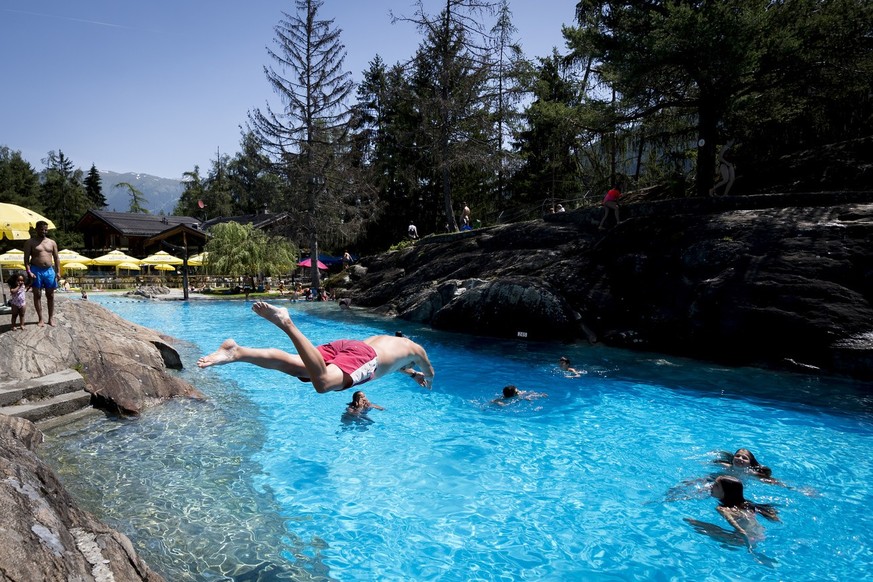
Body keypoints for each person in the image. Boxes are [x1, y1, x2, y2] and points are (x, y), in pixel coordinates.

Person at [198, 301, 435, 393]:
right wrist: (428, 380)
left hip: (350, 345)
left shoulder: (394, 344)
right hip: (365, 356)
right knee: (323, 384)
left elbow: (397, 364)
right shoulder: (416, 349)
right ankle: (286, 323)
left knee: (298, 366)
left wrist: (412, 374)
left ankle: (237, 352)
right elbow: (429, 369)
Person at [710, 475, 779, 544]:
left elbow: (731, 520)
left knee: (702, 527)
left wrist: (741, 531)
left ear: (725, 492)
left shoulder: (722, 508)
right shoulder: (746, 504)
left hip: (744, 538)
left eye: (716, 485)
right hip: (760, 534)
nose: (711, 486)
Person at [22, 220, 60, 327]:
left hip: (49, 270)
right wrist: (29, 272)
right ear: (37, 229)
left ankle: (51, 318)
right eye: (42, 229)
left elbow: (56, 258)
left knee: (50, 295)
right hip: (36, 270)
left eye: (46, 230)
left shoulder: (52, 242)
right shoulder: (30, 242)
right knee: (37, 294)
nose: (44, 231)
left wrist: (58, 272)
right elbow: (26, 260)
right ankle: (40, 319)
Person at [713, 448, 782, 485]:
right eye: (737, 456)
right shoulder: (725, 466)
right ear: (733, 458)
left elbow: (769, 480)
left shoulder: (750, 473)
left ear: (750, 464)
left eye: (744, 458)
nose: (740, 458)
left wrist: (784, 485)